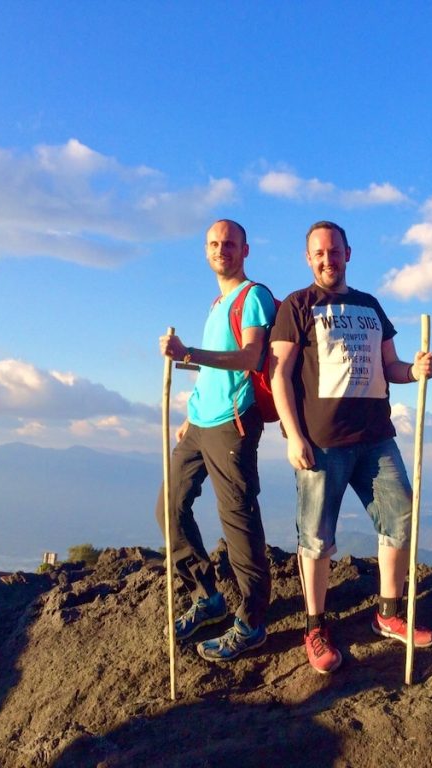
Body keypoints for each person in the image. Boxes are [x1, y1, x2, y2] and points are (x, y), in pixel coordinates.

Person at [269, 220, 432, 674]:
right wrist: (293, 436)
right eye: (319, 253)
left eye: (335, 251)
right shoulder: (296, 305)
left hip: (376, 437)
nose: (328, 259)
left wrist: (416, 369)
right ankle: (315, 626)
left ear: (348, 253)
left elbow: (391, 368)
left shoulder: (370, 306)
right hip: (321, 443)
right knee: (317, 537)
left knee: (401, 512)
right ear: (309, 259)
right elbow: (279, 374)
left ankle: (387, 613)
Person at [155, 218, 274, 662]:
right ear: (206, 251)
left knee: (238, 521)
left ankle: (253, 620)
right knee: (169, 507)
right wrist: (191, 412)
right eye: (214, 243)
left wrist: (186, 352)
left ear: (245, 250)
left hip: (233, 424)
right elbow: (212, 371)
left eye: (229, 243)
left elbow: (250, 356)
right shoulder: (217, 302)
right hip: (203, 422)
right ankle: (207, 596)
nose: (221, 249)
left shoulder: (253, 296)